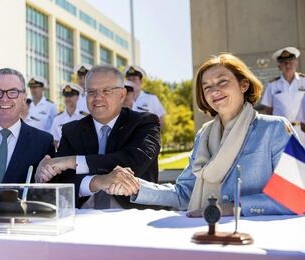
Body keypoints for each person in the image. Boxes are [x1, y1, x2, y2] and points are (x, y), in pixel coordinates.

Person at [107, 53, 298, 216]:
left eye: (222, 82)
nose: (215, 91)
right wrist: (134, 186)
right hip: (206, 237)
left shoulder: (275, 128)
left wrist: (233, 208)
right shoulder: (204, 135)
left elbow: (298, 194)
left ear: (244, 85)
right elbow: (184, 194)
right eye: (207, 87)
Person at [36, 65, 161, 209]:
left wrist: (72, 161)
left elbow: (132, 162)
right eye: (91, 91)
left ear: (122, 94)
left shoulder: (144, 122)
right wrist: (96, 182)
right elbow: (63, 182)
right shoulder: (72, 130)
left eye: (106, 91)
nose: (97, 97)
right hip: (83, 217)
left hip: (134, 216)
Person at [260, 47, 305, 144]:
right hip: (282, 131)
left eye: (290, 61)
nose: (287, 64)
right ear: (279, 66)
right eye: (284, 62)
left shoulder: (304, 81)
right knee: (286, 158)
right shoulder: (273, 85)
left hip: (302, 129)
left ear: (296, 63)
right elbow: (268, 110)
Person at [51, 83, 84, 148]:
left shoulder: (84, 117)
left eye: (71, 95)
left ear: (77, 97)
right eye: (66, 96)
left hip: (80, 155)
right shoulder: (57, 118)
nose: (68, 98)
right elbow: (55, 141)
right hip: (63, 155)